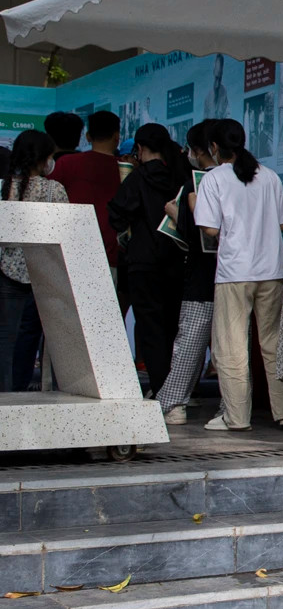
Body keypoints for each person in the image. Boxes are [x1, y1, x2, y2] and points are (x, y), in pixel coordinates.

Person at [193, 119, 283, 431]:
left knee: (232, 344)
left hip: (235, 271)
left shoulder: (213, 179)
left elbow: (210, 228)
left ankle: (236, 417)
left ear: (213, 147)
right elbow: (282, 223)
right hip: (272, 270)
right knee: (274, 342)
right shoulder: (270, 177)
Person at [108, 125, 190, 399]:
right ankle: (177, 393)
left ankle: (161, 389)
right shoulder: (181, 175)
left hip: (143, 263)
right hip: (177, 261)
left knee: (150, 328)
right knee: (172, 328)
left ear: (140, 149)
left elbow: (116, 214)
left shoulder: (137, 178)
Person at [155, 125, 217, 424]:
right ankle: (231, 409)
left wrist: (176, 213)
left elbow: (200, 232)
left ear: (204, 150)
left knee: (190, 339)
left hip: (203, 273)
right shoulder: (253, 177)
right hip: (240, 273)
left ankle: (170, 403)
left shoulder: (202, 183)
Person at [0, 131, 68, 392]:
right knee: (36, 339)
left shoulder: (3, 188)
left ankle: (6, 395)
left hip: (6, 274)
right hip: (45, 274)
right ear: (43, 159)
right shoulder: (54, 190)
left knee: (7, 342)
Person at [51, 110, 124, 271]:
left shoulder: (66, 163)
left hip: (71, 247)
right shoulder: (125, 169)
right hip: (110, 250)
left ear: (88, 136)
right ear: (117, 136)